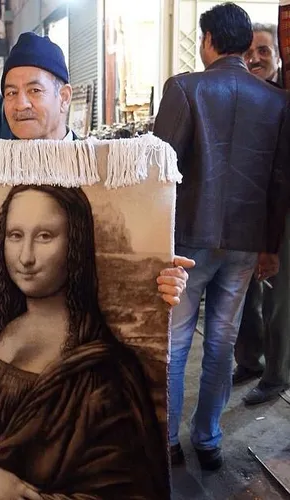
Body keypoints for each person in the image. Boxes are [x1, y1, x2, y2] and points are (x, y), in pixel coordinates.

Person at [0, 185, 170, 499]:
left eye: (45, 236)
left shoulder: (105, 376)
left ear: (75, 245)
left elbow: (125, 491)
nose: (26, 257)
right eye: (15, 235)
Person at [0, 32, 193, 307]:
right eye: (10, 93)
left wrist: (159, 276)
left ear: (63, 98)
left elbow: (127, 268)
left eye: (34, 90)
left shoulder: (110, 177)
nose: (20, 104)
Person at [153, 3, 289, 470]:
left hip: (189, 239)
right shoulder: (275, 101)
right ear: (244, 43)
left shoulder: (184, 88)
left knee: (174, 345)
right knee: (222, 343)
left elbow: (159, 169)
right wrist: (269, 245)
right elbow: (279, 181)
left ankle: (167, 441)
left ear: (208, 40)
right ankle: (208, 439)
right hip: (245, 242)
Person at [233, 23, 290, 405]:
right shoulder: (242, 97)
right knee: (242, 290)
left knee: (277, 293)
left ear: (278, 55)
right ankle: (250, 361)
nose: (255, 58)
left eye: (264, 51)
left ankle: (277, 374)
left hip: (280, 208)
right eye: (250, 52)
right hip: (245, 207)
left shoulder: (284, 99)